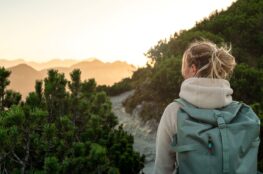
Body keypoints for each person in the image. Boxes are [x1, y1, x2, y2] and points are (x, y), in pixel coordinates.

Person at [153, 40, 260, 174]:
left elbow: (162, 168)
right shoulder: (245, 113)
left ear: (193, 69)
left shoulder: (174, 111)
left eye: (183, 67)